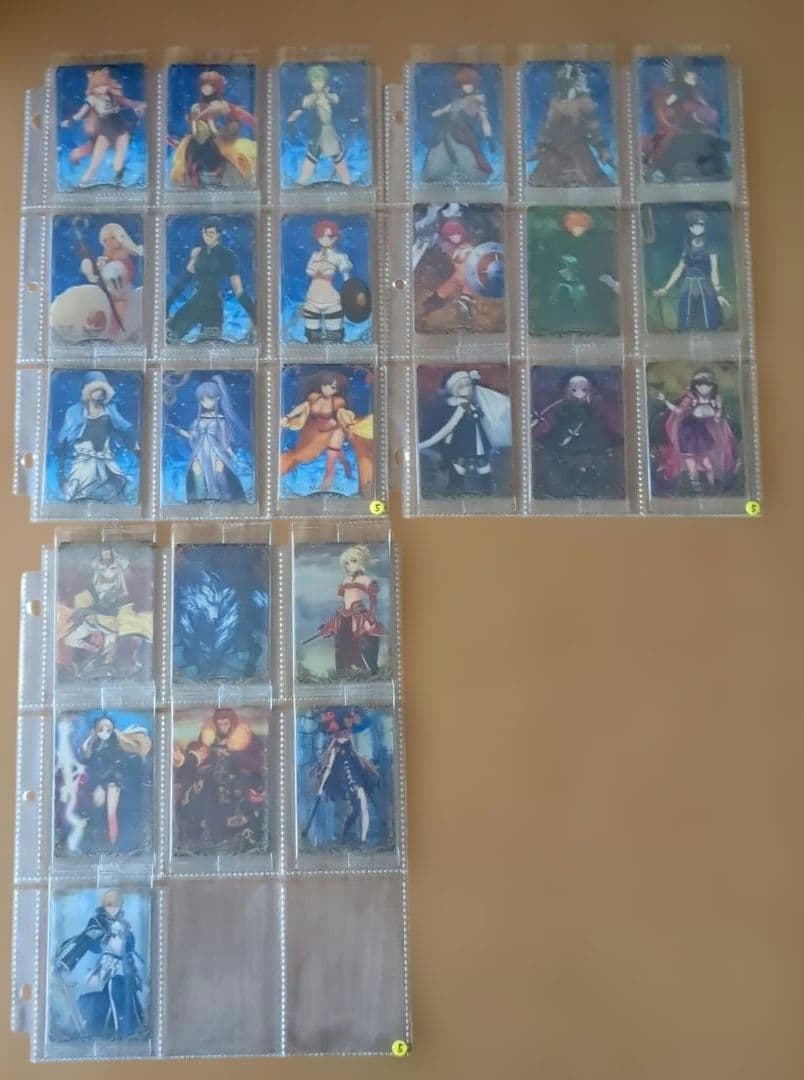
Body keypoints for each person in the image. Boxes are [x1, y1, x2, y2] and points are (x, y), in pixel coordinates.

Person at [54, 890, 146, 1039]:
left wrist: (123, 937)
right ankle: (85, 1027)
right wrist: (66, 963)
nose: (113, 909)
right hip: (105, 968)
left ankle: (126, 1030)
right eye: (109, 905)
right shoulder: (97, 923)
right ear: (104, 906)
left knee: (122, 992)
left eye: (116, 905)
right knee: (92, 994)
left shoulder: (124, 925)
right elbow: (83, 942)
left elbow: (129, 946)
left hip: (123, 968)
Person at [173, 708, 266, 854]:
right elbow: (199, 755)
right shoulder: (209, 739)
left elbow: (256, 763)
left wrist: (235, 759)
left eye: (225, 724)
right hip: (212, 785)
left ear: (232, 723)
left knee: (242, 817)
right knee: (204, 812)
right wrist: (184, 760)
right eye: (219, 724)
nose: (222, 727)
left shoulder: (245, 739)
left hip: (237, 784)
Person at [61, 545, 152, 679]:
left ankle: (108, 663)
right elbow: (75, 629)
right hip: (97, 624)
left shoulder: (123, 601)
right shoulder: (85, 597)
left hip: (112, 625)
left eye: (113, 569)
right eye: (103, 569)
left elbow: (122, 623)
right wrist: (91, 646)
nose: (108, 573)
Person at [418, 369, 512, 495]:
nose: (466, 388)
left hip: (478, 439)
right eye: (461, 385)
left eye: (467, 384)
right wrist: (436, 442)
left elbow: (483, 414)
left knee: (482, 461)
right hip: (463, 441)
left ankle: (487, 487)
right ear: (455, 390)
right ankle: (455, 487)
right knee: (460, 461)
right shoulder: (458, 406)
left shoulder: (474, 403)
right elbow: (450, 426)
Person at [280, 369, 373, 495]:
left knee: (330, 463)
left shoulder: (338, 401)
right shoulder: (313, 397)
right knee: (304, 454)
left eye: (333, 387)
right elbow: (301, 408)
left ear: (337, 389)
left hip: (333, 431)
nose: (328, 389)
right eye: (326, 384)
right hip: (313, 432)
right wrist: (288, 417)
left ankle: (325, 490)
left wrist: (350, 423)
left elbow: (343, 415)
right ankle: (345, 463)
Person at [50, 222, 144, 345]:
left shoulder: (122, 254)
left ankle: (117, 337)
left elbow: (122, 276)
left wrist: (108, 274)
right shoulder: (108, 254)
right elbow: (99, 273)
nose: (109, 242)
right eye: (105, 240)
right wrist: (92, 270)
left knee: (119, 311)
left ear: (119, 236)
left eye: (112, 238)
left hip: (121, 293)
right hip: (108, 290)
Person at [531, 373, 622, 497]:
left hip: (591, 439)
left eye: (584, 390)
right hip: (565, 441)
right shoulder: (562, 408)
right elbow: (556, 423)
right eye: (574, 390)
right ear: (567, 390)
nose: (579, 393)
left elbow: (598, 422)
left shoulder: (593, 410)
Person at [166, 217, 256, 342]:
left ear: (218, 234)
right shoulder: (197, 253)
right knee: (170, 336)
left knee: (209, 344)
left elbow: (238, 290)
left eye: (211, 233)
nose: (207, 237)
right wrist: (167, 302)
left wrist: (255, 317)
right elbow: (184, 281)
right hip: (196, 302)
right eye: (204, 233)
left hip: (213, 306)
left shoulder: (227, 255)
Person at [642, 58, 730, 181]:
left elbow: (709, 115)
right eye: (689, 73)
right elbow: (667, 114)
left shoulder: (696, 96)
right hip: (675, 138)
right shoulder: (666, 96)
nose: (693, 76)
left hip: (699, 139)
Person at [56, 371, 138, 502]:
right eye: (95, 388)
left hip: (105, 458)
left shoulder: (110, 409)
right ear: (87, 390)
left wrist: (135, 446)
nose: (99, 392)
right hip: (83, 461)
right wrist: (61, 473)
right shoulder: (74, 411)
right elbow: (63, 440)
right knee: (78, 492)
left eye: (101, 388)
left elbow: (124, 428)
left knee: (119, 486)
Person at [527, 63, 613, 186]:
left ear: (574, 81)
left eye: (565, 79)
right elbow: (547, 128)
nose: (562, 83)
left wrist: (602, 150)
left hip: (578, 152)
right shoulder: (555, 102)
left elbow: (594, 129)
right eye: (560, 79)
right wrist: (538, 148)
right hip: (555, 151)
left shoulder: (584, 102)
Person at [654, 368, 739, 492]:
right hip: (687, 433)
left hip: (702, 433)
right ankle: (695, 488)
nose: (704, 387)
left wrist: (718, 411)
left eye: (708, 384)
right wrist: (665, 401)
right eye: (700, 384)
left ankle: (712, 487)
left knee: (708, 464)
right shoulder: (690, 399)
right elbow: (678, 411)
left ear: (713, 386)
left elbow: (717, 418)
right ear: (695, 385)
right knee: (691, 464)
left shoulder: (715, 400)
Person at [170, 70, 257, 189]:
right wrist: (193, 125)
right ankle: (190, 181)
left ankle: (221, 180)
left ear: (217, 87)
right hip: (199, 137)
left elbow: (238, 120)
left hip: (219, 138)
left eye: (210, 84)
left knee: (226, 156)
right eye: (204, 84)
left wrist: (222, 130)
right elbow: (194, 124)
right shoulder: (196, 106)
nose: (206, 88)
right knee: (189, 153)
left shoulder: (222, 106)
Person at [307, 545, 385, 677]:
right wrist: (335, 619)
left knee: (363, 640)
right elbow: (344, 601)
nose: (349, 565)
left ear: (361, 561)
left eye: (353, 561)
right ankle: (343, 671)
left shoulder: (366, 579)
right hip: (345, 614)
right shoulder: (346, 581)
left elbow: (373, 600)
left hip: (359, 614)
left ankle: (369, 670)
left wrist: (371, 618)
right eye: (347, 563)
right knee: (341, 641)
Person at [60, 67, 146, 187]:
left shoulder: (113, 97)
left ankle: (119, 180)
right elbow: (80, 114)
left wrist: (140, 106)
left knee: (119, 159)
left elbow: (129, 102)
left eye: (105, 85)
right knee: (95, 162)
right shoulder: (92, 99)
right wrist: (70, 121)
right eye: (98, 86)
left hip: (120, 129)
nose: (102, 88)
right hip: (105, 130)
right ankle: (83, 182)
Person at [77, 715, 151, 851]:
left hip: (113, 783)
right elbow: (85, 758)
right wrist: (90, 739)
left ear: (112, 730)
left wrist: (104, 783)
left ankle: (112, 846)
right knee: (97, 813)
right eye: (101, 730)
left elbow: (117, 765)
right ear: (96, 730)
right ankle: (102, 844)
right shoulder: (95, 746)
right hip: (99, 783)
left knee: (111, 815)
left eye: (108, 730)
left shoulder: (115, 746)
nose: (104, 733)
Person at [170, 375, 250, 502]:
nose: (206, 402)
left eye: (209, 399)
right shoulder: (198, 420)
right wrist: (178, 430)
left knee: (219, 471)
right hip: (200, 452)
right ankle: (200, 499)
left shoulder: (221, 420)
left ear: (217, 398)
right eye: (203, 400)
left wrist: (233, 456)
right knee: (197, 472)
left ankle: (224, 497)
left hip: (217, 451)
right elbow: (192, 436)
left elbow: (225, 441)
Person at [308, 709, 380, 845]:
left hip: (356, 777)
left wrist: (370, 768)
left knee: (362, 807)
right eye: (343, 731)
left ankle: (363, 840)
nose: (346, 733)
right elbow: (329, 767)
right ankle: (348, 835)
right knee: (355, 809)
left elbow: (358, 755)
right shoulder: (334, 746)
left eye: (347, 731)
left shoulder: (350, 741)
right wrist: (321, 787)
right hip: (344, 781)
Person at [653, 209, 729, 331]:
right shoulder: (687, 243)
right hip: (688, 285)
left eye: (700, 225)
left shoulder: (710, 244)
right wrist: (666, 288)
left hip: (705, 285)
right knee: (685, 320)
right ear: (689, 227)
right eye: (693, 225)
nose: (697, 228)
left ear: (705, 226)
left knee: (709, 319)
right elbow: (679, 268)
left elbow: (714, 268)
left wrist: (717, 289)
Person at [422, 66, 493, 184]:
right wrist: (433, 114)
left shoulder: (477, 100)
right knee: (436, 165)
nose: (467, 87)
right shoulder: (457, 100)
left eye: (470, 84)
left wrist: (489, 137)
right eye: (464, 84)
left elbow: (484, 120)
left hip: (463, 137)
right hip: (446, 135)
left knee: (468, 162)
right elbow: (445, 109)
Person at [287, 64, 351, 185]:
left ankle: (347, 182)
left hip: (328, 132)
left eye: (320, 81)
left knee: (335, 156)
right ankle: (300, 182)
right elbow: (304, 104)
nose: (317, 84)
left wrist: (326, 95)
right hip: (317, 131)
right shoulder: (310, 98)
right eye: (314, 82)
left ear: (325, 82)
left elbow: (336, 100)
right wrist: (293, 118)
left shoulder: (330, 96)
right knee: (313, 155)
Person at [301, 220, 353, 343]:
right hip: (312, 299)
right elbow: (308, 273)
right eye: (321, 236)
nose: (325, 239)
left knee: (334, 336)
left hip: (332, 301)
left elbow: (348, 282)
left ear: (336, 237)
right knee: (312, 337)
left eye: (329, 236)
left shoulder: (340, 257)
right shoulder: (315, 255)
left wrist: (350, 298)